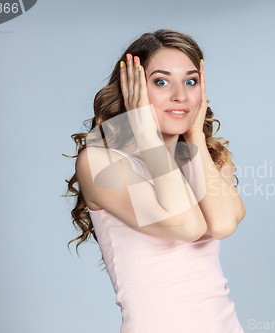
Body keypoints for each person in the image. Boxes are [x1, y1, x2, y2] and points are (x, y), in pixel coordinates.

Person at [64, 29, 246, 332]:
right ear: (131, 89)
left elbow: (223, 224)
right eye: (161, 81)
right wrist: (147, 136)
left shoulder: (212, 158)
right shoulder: (100, 162)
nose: (180, 95)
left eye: (191, 81)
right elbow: (188, 225)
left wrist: (196, 138)